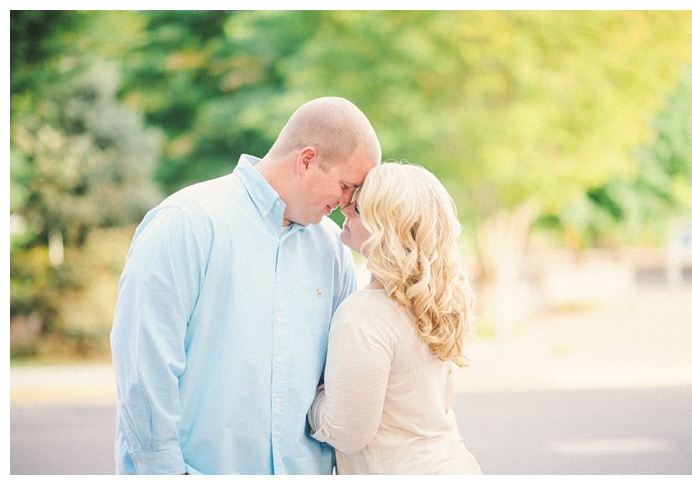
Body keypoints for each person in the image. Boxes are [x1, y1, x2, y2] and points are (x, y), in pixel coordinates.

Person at [110, 97, 381, 475]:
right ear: (306, 161)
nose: (350, 203)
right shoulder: (187, 223)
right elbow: (144, 368)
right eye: (347, 185)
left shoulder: (333, 251)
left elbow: (337, 382)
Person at [308, 162, 482, 474]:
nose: (344, 209)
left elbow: (346, 432)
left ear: (386, 227)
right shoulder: (429, 301)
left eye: (359, 208)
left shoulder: (363, 314)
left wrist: (312, 396)